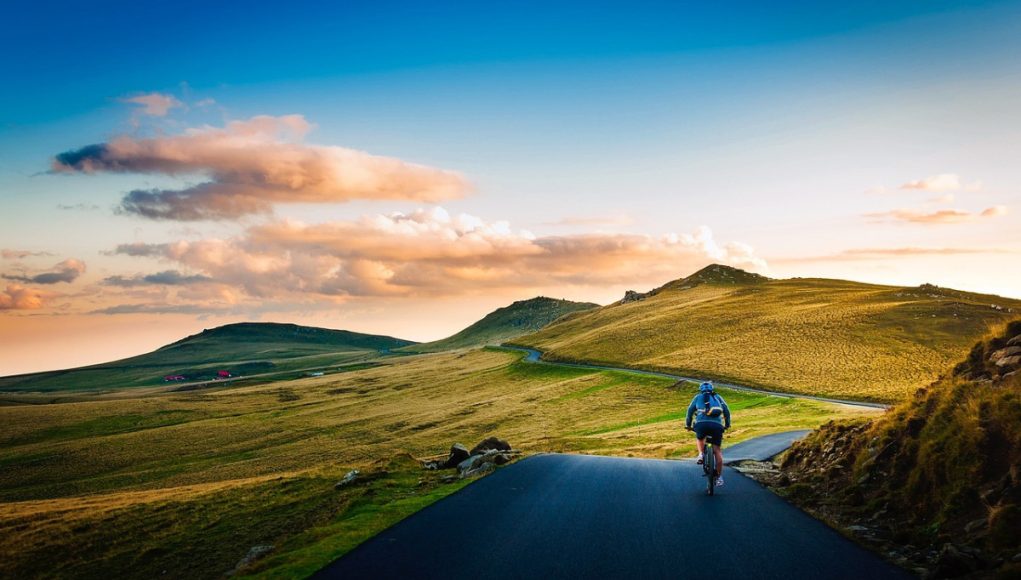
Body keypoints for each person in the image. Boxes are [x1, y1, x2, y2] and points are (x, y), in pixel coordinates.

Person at [685, 381, 731, 487]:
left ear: (700, 389)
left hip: (701, 424)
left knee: (700, 438)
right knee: (717, 451)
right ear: (712, 389)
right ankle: (719, 477)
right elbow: (726, 411)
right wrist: (727, 424)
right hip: (717, 426)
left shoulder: (697, 397)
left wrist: (688, 425)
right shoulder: (718, 397)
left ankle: (701, 454)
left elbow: (690, 411)